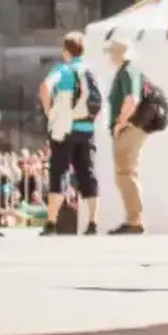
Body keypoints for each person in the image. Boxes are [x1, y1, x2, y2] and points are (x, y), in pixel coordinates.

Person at [40, 31, 100, 235]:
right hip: (87, 129)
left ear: (66, 51)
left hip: (64, 129)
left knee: (59, 172)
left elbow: (45, 88)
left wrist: (49, 112)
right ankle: (93, 222)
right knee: (87, 173)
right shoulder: (90, 71)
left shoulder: (62, 70)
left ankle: (51, 223)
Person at [104, 38, 147, 235]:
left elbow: (132, 99)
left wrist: (120, 123)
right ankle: (133, 218)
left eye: (111, 52)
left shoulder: (127, 71)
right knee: (126, 173)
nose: (109, 56)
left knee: (125, 173)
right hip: (131, 127)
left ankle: (134, 220)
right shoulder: (129, 70)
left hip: (129, 128)